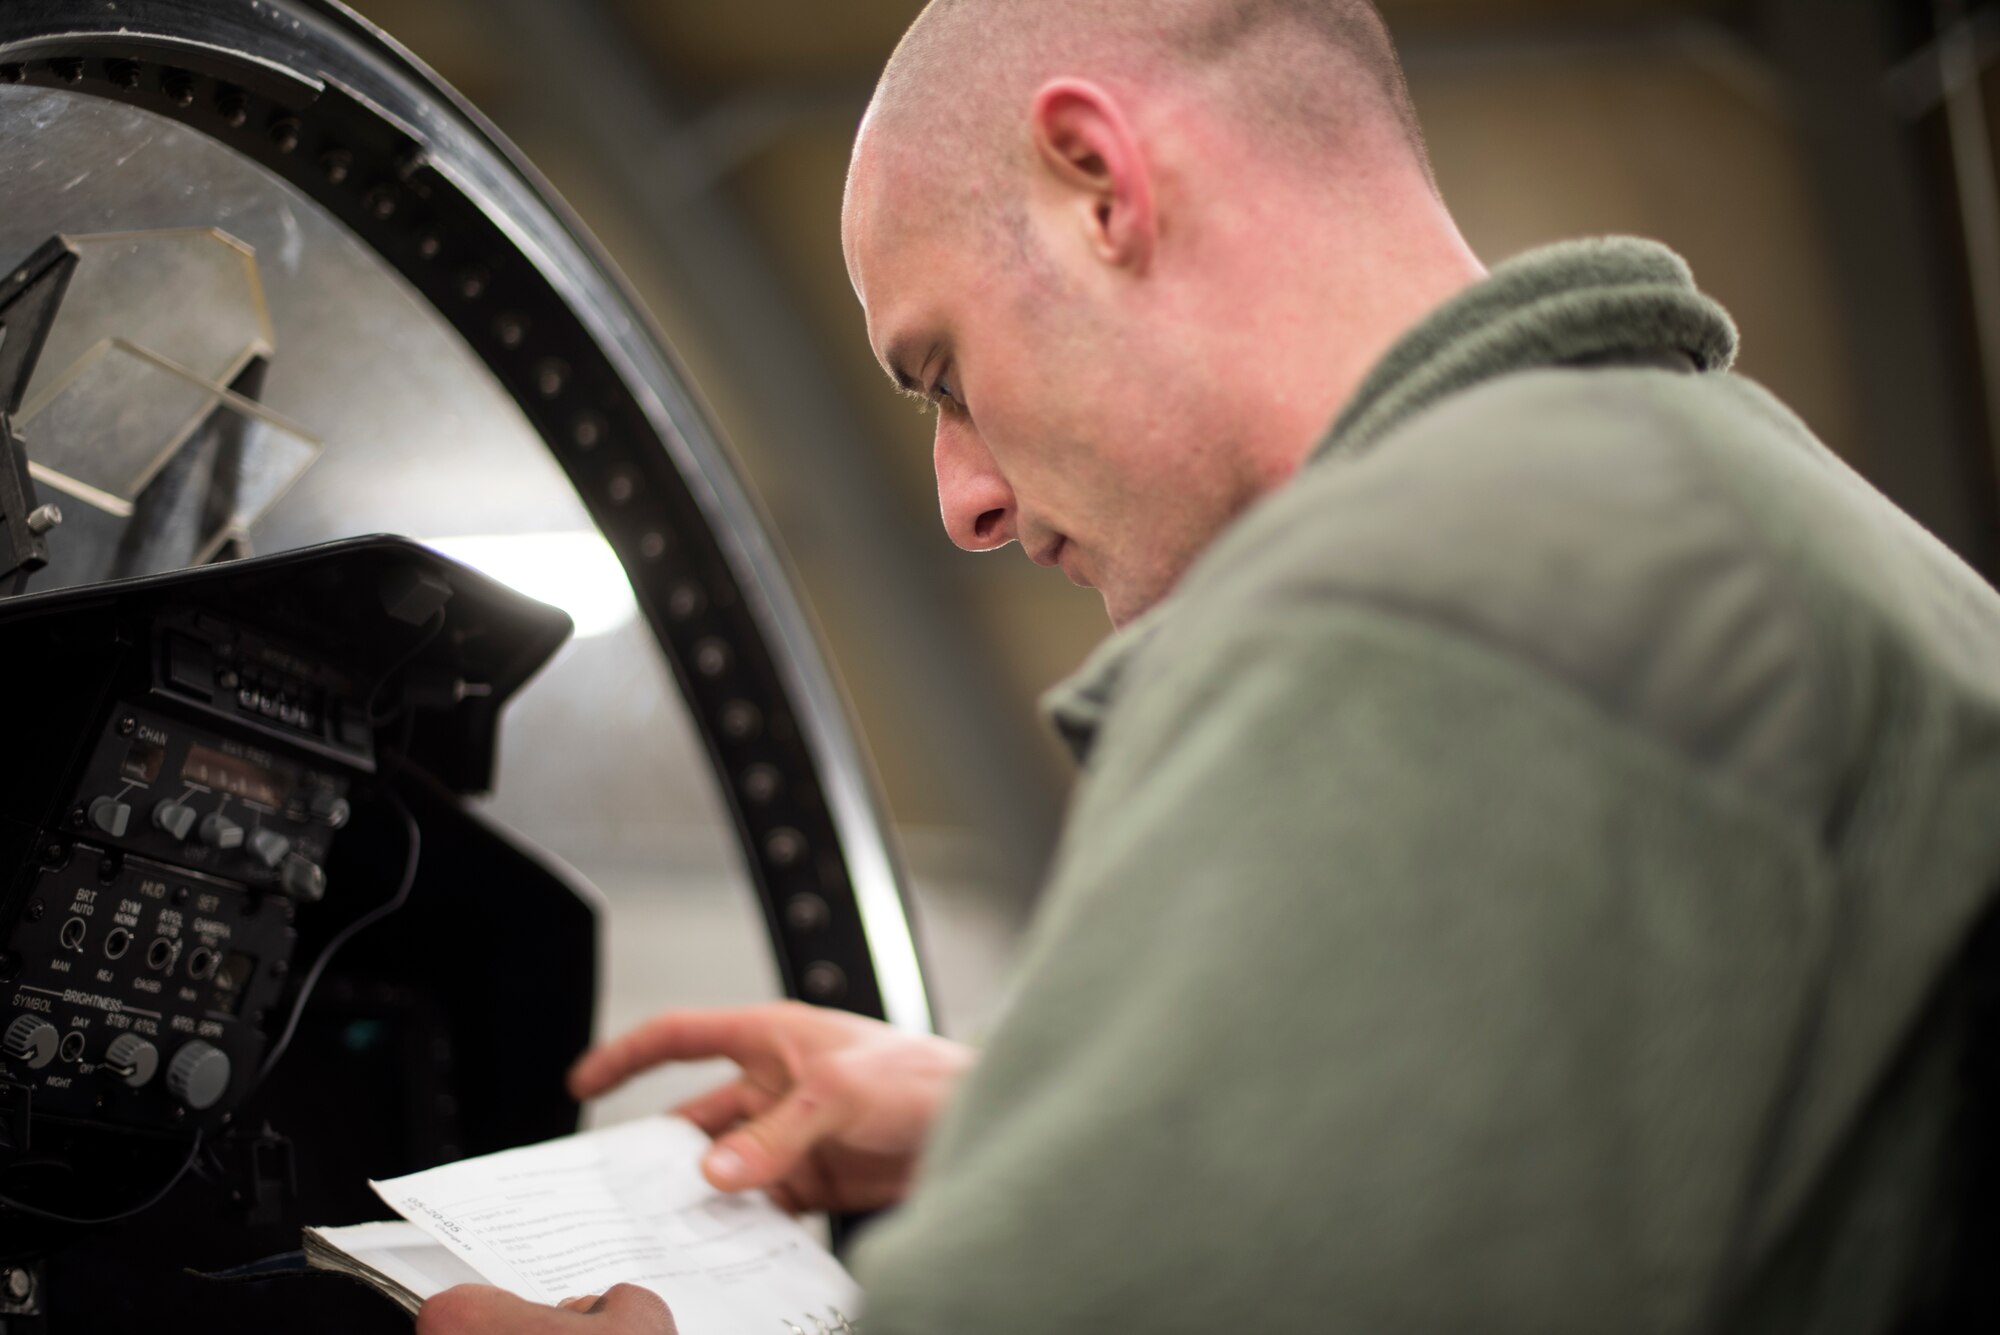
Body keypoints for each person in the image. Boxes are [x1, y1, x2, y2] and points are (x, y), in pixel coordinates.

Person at [418, 1, 2000, 1331]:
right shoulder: (1706, 516)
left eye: (945, 372)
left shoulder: (1451, 596)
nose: (963, 498)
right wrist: (1020, 1119)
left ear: (1099, 182)